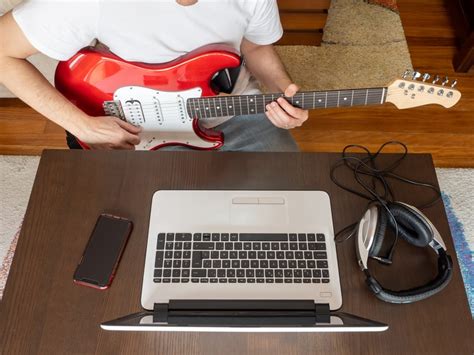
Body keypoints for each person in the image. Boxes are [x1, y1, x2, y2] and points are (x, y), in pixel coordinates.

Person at [0, 0, 309, 151]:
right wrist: (81, 125)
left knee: (289, 203)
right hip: (140, 129)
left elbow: (255, 47)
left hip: (235, 108)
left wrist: (282, 91)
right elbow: (3, 51)